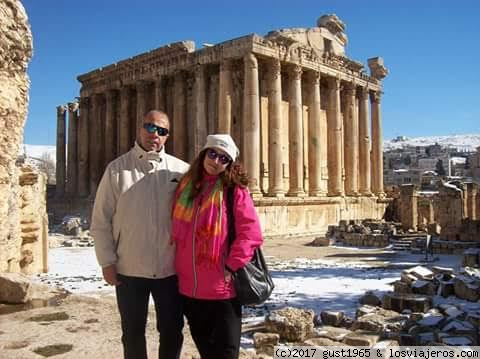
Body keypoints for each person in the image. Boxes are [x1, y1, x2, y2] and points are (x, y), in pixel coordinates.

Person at [91, 110, 189, 359]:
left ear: (167, 136)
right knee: (132, 332)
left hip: (170, 269)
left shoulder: (181, 171)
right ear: (139, 129)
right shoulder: (116, 170)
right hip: (129, 268)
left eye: (161, 130)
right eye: (149, 127)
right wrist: (107, 262)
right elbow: (101, 220)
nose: (154, 134)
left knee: (172, 331)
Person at [171, 134, 263, 359]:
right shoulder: (185, 187)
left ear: (229, 164)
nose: (216, 161)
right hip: (189, 289)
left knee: (226, 353)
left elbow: (250, 233)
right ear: (204, 153)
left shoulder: (234, 191)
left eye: (224, 158)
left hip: (222, 289)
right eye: (213, 153)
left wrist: (231, 267)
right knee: (206, 351)